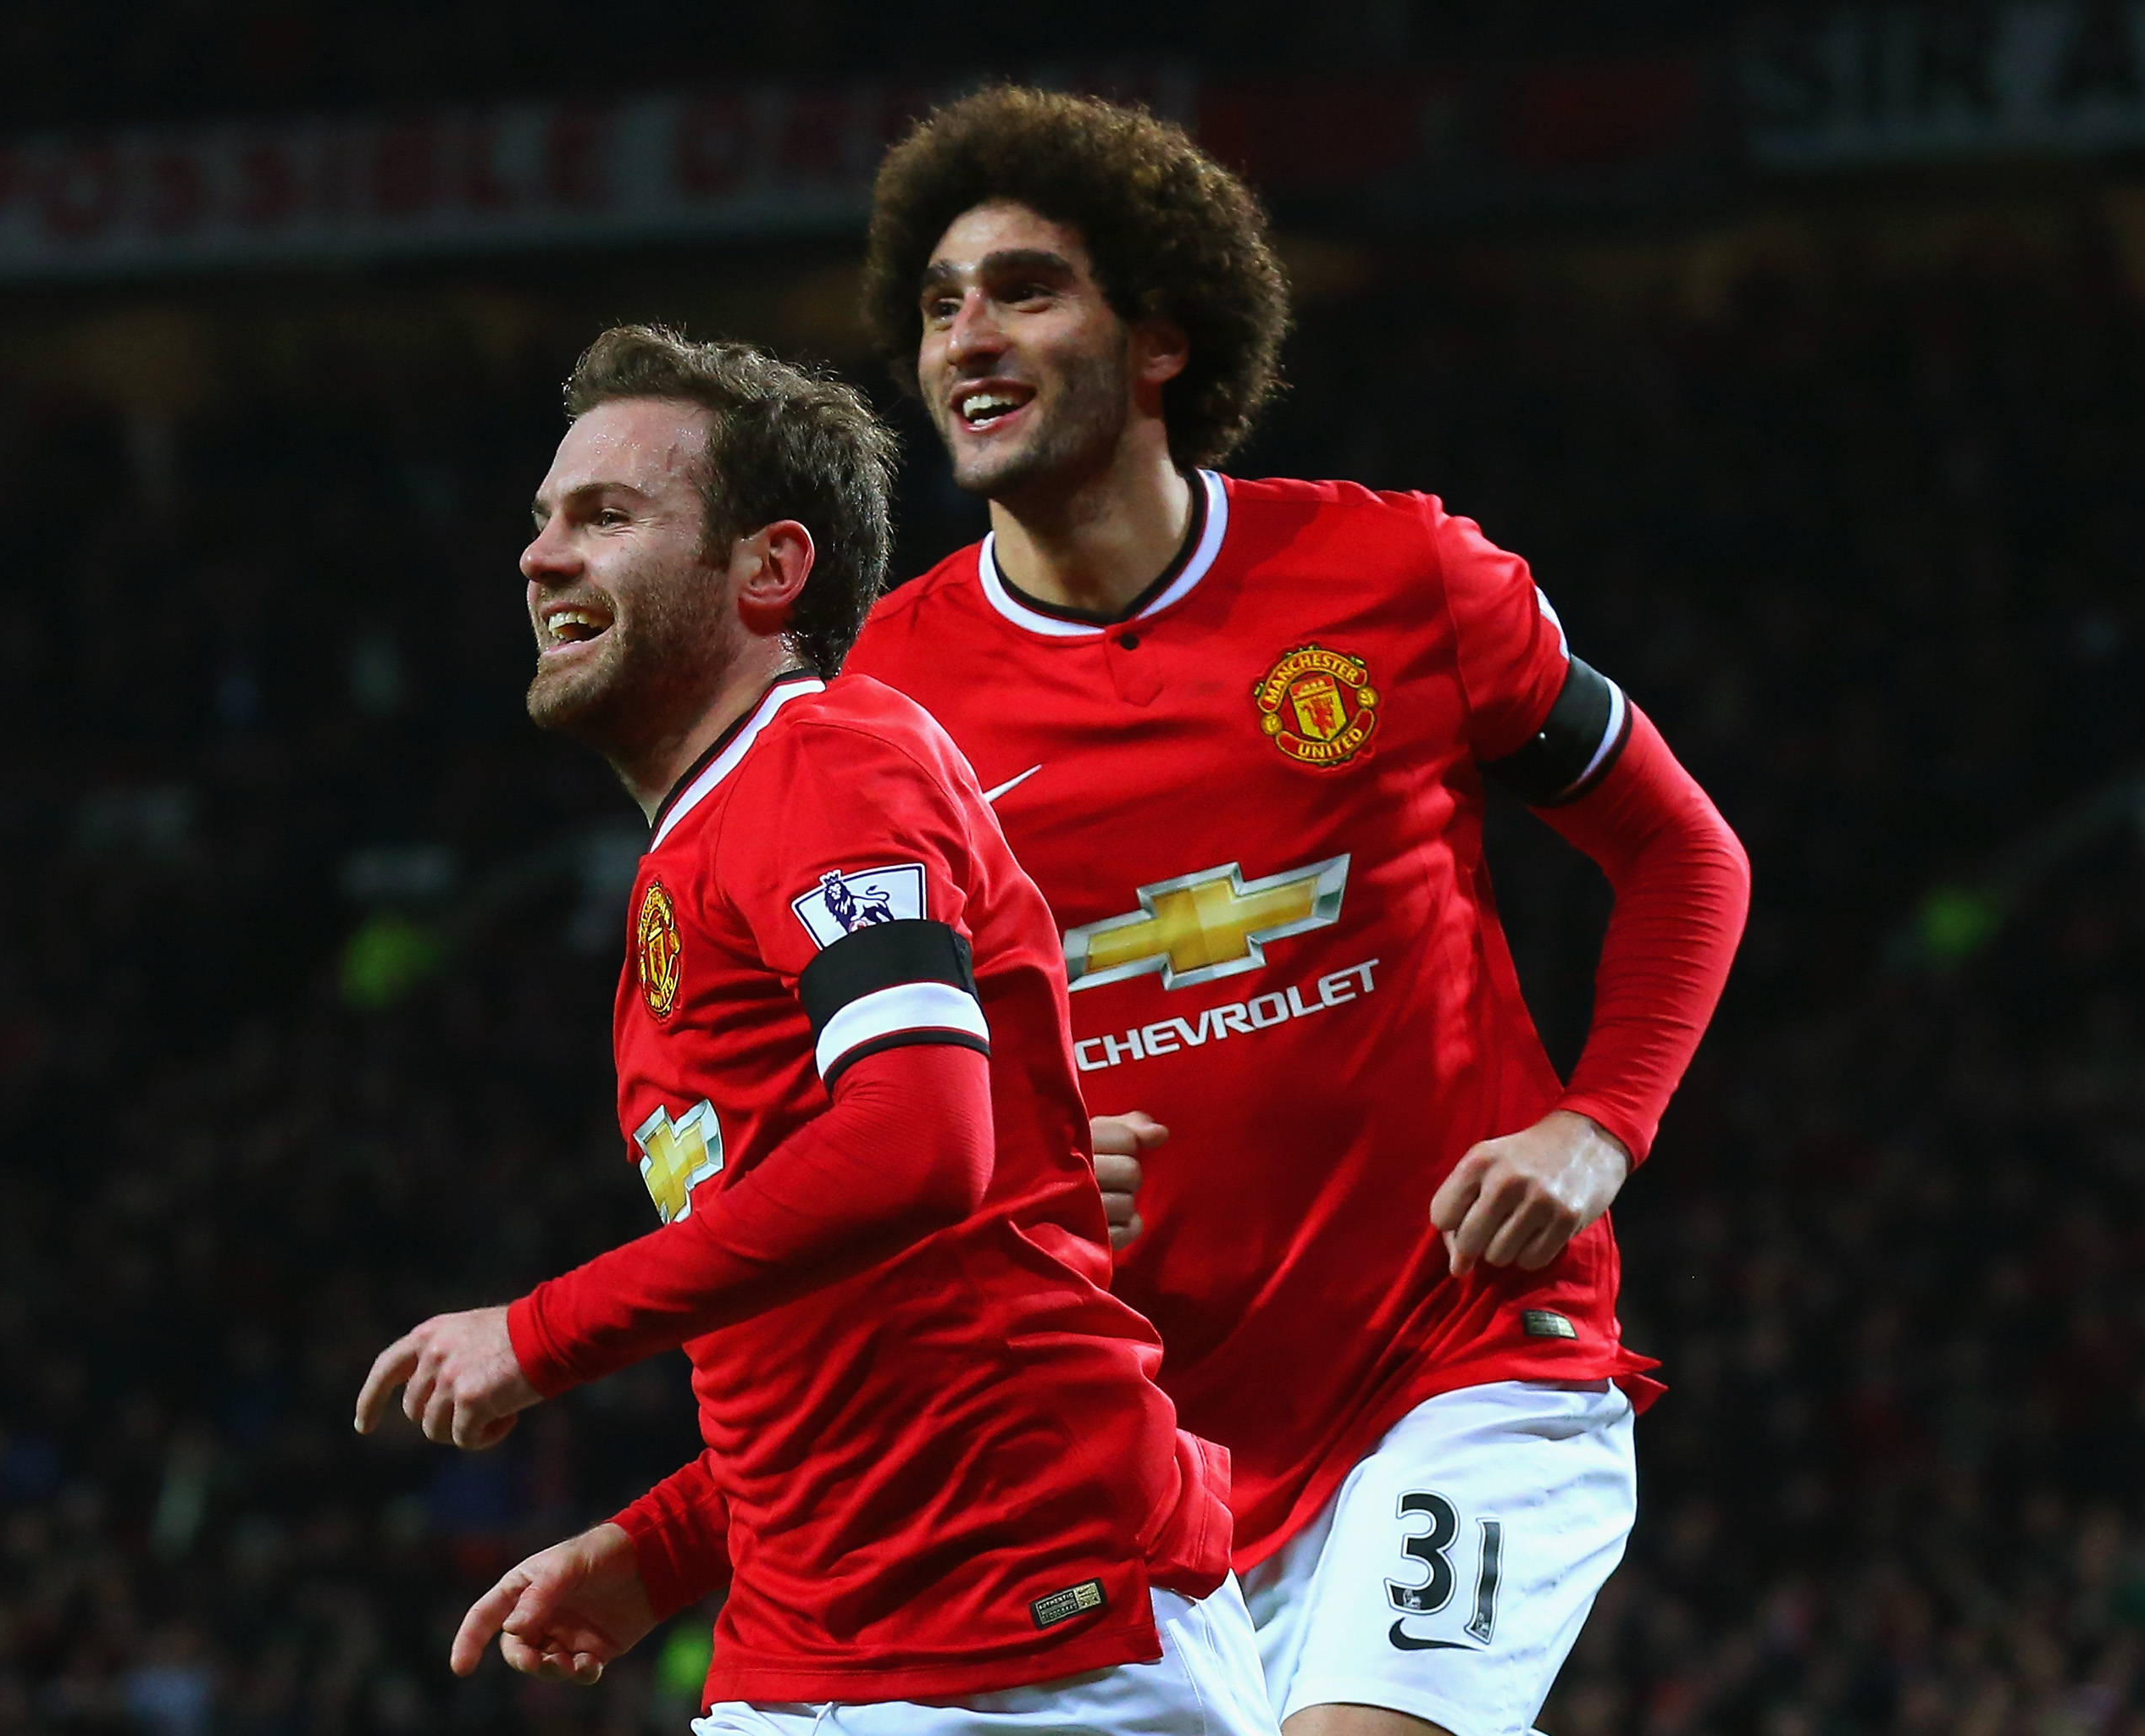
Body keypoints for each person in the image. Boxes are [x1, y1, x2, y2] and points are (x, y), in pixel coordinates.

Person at [828, 91, 1750, 1736]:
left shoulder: (1395, 578)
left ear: (1161, 335)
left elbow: (1685, 855)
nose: (966, 330)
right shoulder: (885, 703)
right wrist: (1005, 1178)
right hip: (1149, 1461)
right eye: (938, 299)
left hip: (1465, 1363)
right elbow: (881, 1102)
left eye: (1025, 287)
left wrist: (1597, 1130)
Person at [351, 325, 1275, 1736]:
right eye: (542, 519)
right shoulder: (701, 852)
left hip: (1034, 1647)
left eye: (606, 515)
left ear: (770, 571)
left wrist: (537, 1337)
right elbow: (854, 1316)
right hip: (816, 1647)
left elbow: (917, 1144)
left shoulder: (831, 760)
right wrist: (663, 1549)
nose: (541, 556)